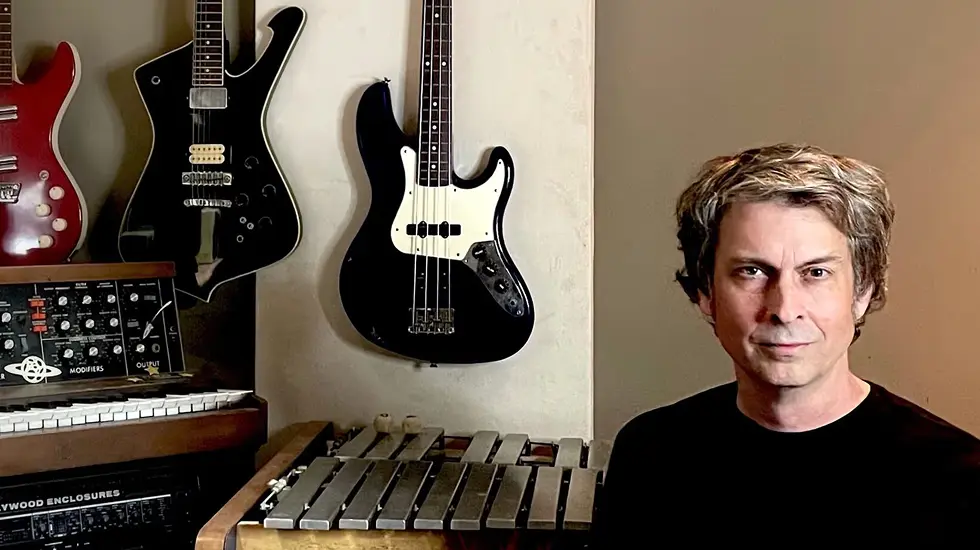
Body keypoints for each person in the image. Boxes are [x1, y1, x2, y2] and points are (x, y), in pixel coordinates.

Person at [596, 143, 980, 547]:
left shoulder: (959, 478)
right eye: (752, 271)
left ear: (862, 292)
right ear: (706, 293)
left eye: (816, 273)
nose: (784, 309)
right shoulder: (650, 452)